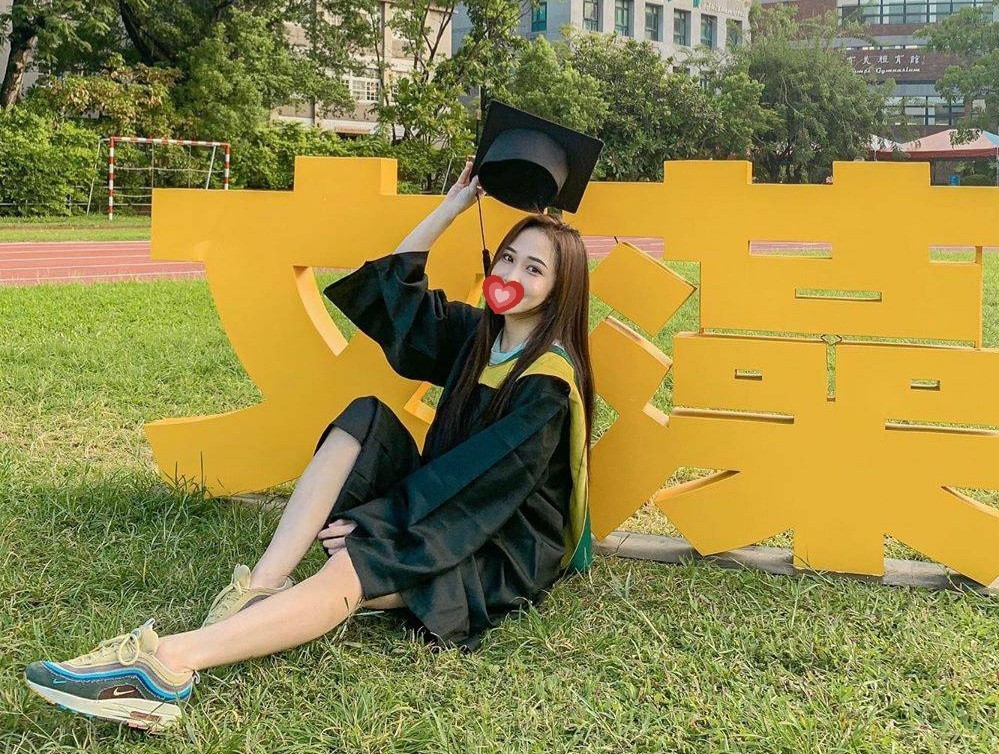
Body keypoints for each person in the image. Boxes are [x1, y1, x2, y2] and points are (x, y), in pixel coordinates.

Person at [24, 158, 596, 732]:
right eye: (507, 257)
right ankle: (262, 587)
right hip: (443, 509)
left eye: (534, 268)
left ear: (560, 289)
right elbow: (397, 294)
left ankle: (166, 667)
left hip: (497, 545)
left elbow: (476, 487)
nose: (512, 273)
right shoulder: (480, 336)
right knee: (365, 416)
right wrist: (450, 208)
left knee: (360, 562)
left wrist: (381, 524)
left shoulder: (546, 383)